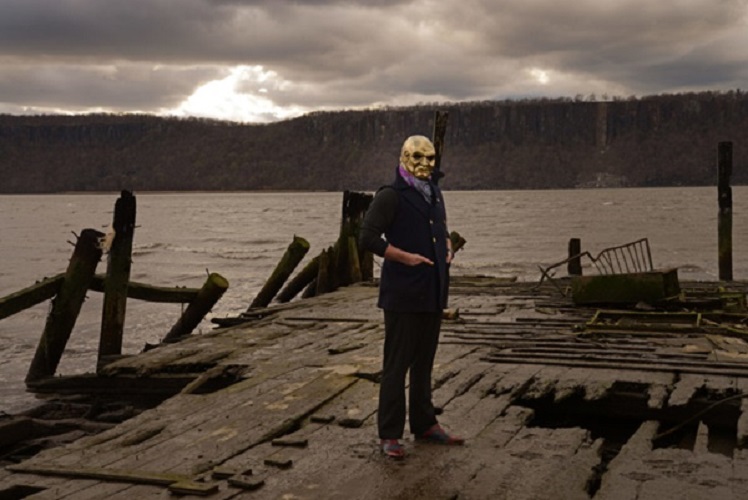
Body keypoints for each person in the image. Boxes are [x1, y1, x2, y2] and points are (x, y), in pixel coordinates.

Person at [359, 134, 464, 459]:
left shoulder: (434, 191)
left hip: (433, 289)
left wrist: (447, 245)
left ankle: (425, 424)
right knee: (397, 365)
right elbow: (367, 237)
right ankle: (389, 434)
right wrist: (404, 257)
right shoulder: (390, 195)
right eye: (418, 157)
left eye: (431, 158)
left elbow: (439, 227)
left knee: (424, 362)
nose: (425, 164)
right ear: (404, 158)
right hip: (403, 293)